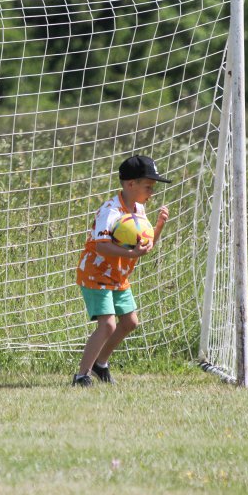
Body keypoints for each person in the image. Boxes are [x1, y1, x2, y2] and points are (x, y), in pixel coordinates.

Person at [72, 155, 171, 387]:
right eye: (148, 187)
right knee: (107, 325)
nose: (152, 192)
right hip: (96, 274)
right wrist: (131, 255)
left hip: (119, 276)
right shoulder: (111, 211)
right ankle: (81, 376)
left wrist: (158, 227)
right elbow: (102, 245)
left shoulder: (139, 208)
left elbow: (145, 246)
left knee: (130, 322)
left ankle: (100, 364)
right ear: (130, 184)